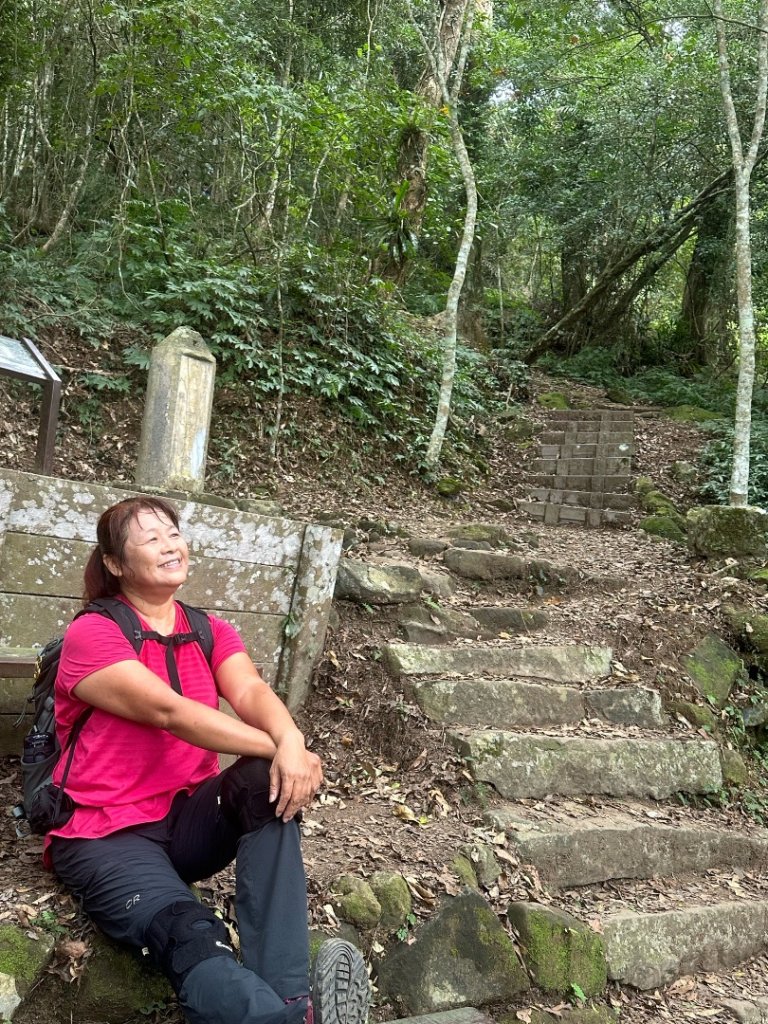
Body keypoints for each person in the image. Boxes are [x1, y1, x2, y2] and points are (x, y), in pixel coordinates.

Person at [44, 495, 369, 1024]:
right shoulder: (94, 633)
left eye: (172, 532)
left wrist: (289, 737)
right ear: (114, 563)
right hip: (104, 836)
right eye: (149, 538)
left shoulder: (210, 629)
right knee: (192, 935)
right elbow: (168, 711)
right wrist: (283, 746)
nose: (170, 544)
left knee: (265, 782)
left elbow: (252, 692)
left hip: (185, 823)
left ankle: (293, 1005)